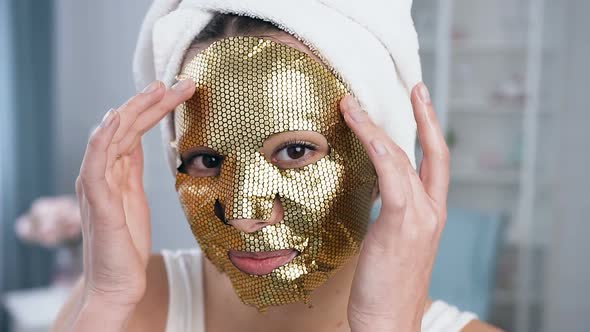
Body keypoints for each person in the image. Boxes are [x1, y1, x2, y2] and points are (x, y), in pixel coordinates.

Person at [52, 3, 502, 332]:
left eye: (294, 152)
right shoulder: (117, 305)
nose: (245, 212)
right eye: (207, 160)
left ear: (385, 160)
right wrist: (106, 302)